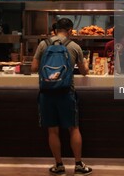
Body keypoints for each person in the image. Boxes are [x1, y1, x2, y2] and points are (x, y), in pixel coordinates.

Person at [31, 18, 92, 176]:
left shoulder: (43, 44)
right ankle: (78, 165)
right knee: (73, 128)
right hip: (66, 92)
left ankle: (59, 166)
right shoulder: (74, 46)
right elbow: (85, 72)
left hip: (47, 93)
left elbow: (34, 67)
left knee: (53, 130)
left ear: (55, 30)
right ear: (70, 30)